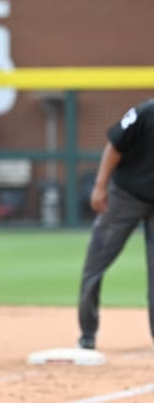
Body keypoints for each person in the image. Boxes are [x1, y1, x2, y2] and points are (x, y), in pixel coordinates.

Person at [77, 99, 154, 350]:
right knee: (95, 264)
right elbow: (114, 145)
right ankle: (87, 333)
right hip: (125, 196)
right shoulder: (146, 112)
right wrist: (100, 186)